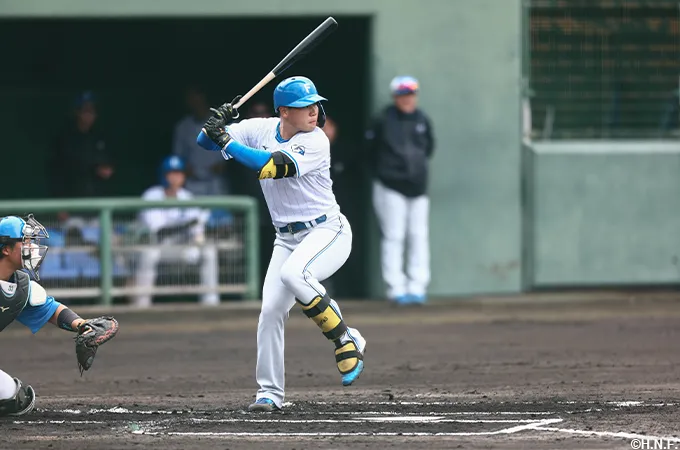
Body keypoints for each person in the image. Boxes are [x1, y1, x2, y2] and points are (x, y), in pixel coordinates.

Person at [197, 76, 366, 412]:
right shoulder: (260, 128)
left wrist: (225, 139)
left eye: (315, 105)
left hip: (326, 232)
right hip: (286, 238)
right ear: (284, 111)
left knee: (294, 274)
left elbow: (270, 166)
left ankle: (344, 337)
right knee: (270, 312)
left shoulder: (316, 141)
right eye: (305, 106)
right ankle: (270, 392)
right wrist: (216, 124)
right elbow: (205, 143)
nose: (314, 112)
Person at [0, 214, 118, 417]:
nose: (32, 246)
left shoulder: (20, 286)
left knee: (17, 399)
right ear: (6, 249)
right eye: (25, 241)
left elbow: (51, 310)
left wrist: (82, 325)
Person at [366, 75, 435, 305]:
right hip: (390, 186)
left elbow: (429, 148)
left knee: (418, 235)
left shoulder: (422, 119)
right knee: (394, 235)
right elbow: (369, 151)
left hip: (418, 187)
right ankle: (395, 288)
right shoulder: (383, 120)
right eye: (403, 94)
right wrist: (384, 174)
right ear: (395, 97)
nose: (407, 99)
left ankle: (417, 286)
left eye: (411, 94)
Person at [131, 155, 218, 307]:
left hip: (182, 246)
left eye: (179, 173)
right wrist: (186, 224)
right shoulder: (152, 195)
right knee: (149, 254)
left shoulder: (187, 197)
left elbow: (197, 229)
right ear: (163, 175)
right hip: (159, 246)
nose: (175, 178)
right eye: (171, 173)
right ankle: (142, 303)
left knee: (209, 252)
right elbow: (157, 228)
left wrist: (197, 239)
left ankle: (211, 302)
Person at [172, 85, 228, 196]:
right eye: (191, 98)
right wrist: (184, 167)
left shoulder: (219, 121)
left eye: (197, 97)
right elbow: (177, 156)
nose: (195, 101)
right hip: (192, 182)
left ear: (204, 97)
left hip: (216, 180)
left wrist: (224, 164)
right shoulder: (183, 126)